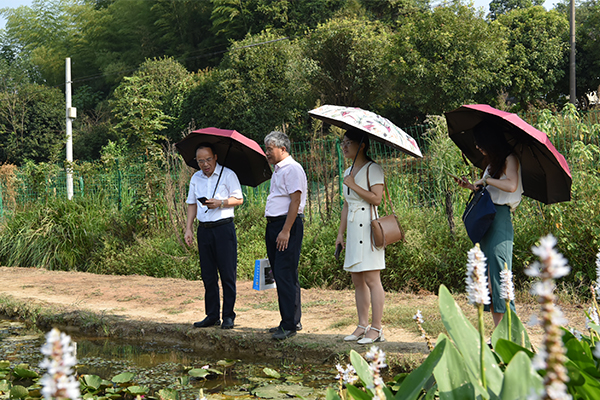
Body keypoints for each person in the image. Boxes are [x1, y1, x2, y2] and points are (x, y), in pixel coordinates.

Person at [453, 121, 523, 327]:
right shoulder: (492, 163)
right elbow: (488, 191)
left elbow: (511, 185)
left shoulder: (510, 159)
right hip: (487, 219)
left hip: (500, 219)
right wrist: (471, 186)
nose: (476, 147)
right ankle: (498, 333)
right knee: (490, 281)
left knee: (501, 276)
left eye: (480, 142)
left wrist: (486, 181)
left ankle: (512, 334)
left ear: (491, 141)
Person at [184, 143, 244, 330]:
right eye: (200, 161)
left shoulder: (228, 174)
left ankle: (228, 315)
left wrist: (221, 203)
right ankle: (212, 315)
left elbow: (239, 199)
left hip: (223, 228)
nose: (205, 164)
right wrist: (188, 228)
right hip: (205, 229)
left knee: (227, 273)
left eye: (208, 159)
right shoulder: (196, 178)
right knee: (208, 275)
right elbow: (192, 203)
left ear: (215, 157)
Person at [335, 129, 386, 344]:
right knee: (357, 280)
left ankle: (377, 329)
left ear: (362, 145)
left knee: (372, 279)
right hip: (354, 229)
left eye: (349, 142)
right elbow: (347, 205)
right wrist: (340, 234)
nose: (344, 146)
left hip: (369, 227)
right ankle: (361, 325)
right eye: (343, 142)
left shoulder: (373, 169)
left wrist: (353, 185)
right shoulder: (347, 171)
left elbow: (377, 199)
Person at [264, 131, 307, 340]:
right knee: (284, 273)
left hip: (286, 225)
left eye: (270, 149)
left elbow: (295, 201)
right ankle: (290, 319)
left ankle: (288, 324)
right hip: (274, 225)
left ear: (283, 149)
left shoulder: (292, 169)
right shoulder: (278, 170)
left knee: (284, 273)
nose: (267, 153)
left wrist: (286, 230)